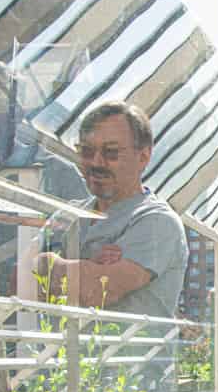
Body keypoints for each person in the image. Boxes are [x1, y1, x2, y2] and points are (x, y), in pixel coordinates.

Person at [33, 101, 186, 318]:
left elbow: (95, 291)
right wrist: (83, 265)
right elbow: (16, 284)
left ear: (143, 157)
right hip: (62, 352)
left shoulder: (157, 222)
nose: (96, 162)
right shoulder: (68, 215)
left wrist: (44, 265)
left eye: (111, 152)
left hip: (129, 353)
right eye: (87, 151)